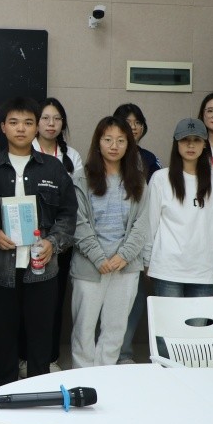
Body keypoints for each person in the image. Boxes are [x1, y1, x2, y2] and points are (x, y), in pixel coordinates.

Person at [0, 97, 77, 389]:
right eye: (14, 122)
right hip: (0, 269)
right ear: (2, 127)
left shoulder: (53, 168)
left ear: (36, 128)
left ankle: (38, 393)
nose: (21, 128)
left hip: (42, 269)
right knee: (3, 337)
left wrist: (53, 242)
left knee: (40, 338)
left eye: (28, 122)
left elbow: (69, 215)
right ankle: (5, 394)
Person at [70, 116, 148, 368]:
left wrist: (124, 255)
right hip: (90, 266)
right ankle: (83, 377)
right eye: (108, 139)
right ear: (98, 142)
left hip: (125, 267)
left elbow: (143, 223)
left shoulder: (138, 180)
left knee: (115, 329)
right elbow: (78, 222)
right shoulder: (81, 179)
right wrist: (98, 257)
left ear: (128, 145)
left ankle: (105, 376)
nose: (114, 146)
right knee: (84, 328)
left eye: (121, 140)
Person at [145, 118, 213, 297]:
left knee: (199, 317)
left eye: (197, 140)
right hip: (167, 267)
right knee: (169, 317)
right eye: (185, 140)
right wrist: (147, 259)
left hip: (203, 268)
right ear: (176, 143)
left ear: (204, 144)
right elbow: (151, 223)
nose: (191, 145)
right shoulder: (160, 178)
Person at [32, 97, 81, 373]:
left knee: (54, 299)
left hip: (60, 239)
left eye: (57, 119)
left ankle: (49, 356)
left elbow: (75, 200)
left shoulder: (71, 156)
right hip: (29, 236)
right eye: (45, 118)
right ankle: (25, 356)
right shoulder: (26, 149)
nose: (51, 124)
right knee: (28, 299)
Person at [112, 102, 162, 364]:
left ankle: (124, 352)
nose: (132, 127)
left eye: (137, 123)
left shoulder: (150, 160)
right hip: (107, 240)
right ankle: (105, 353)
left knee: (136, 296)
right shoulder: (105, 156)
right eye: (126, 122)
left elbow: (156, 200)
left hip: (138, 238)